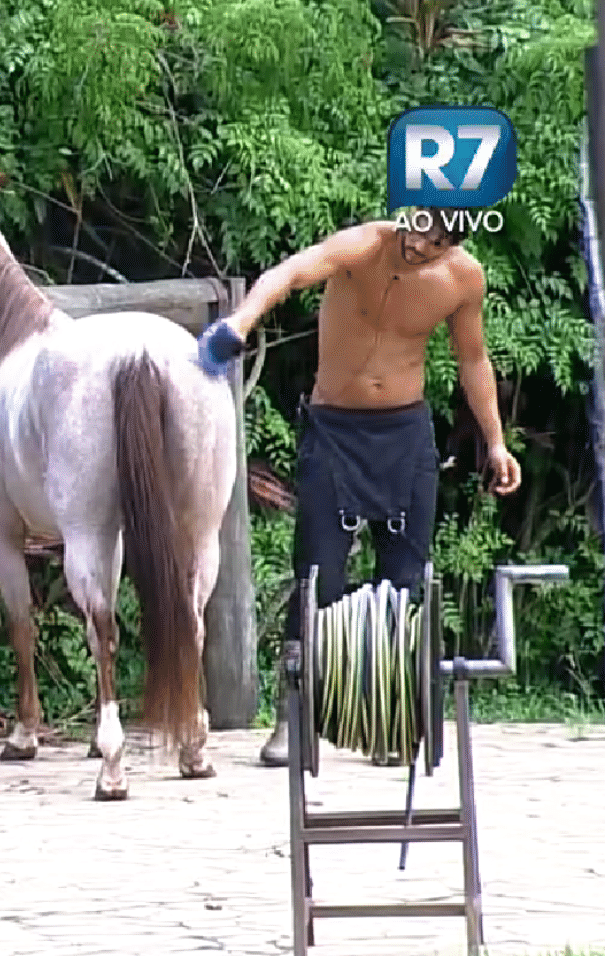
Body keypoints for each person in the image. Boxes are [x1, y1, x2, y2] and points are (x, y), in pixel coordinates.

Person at [196, 206, 523, 767]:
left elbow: (473, 359)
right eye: (423, 231)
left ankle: (393, 721)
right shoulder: (362, 246)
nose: (424, 248)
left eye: (442, 242)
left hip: (405, 433)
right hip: (335, 431)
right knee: (317, 575)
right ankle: (293, 716)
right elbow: (290, 273)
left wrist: (495, 442)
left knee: (402, 581)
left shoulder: (463, 279)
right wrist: (240, 323)